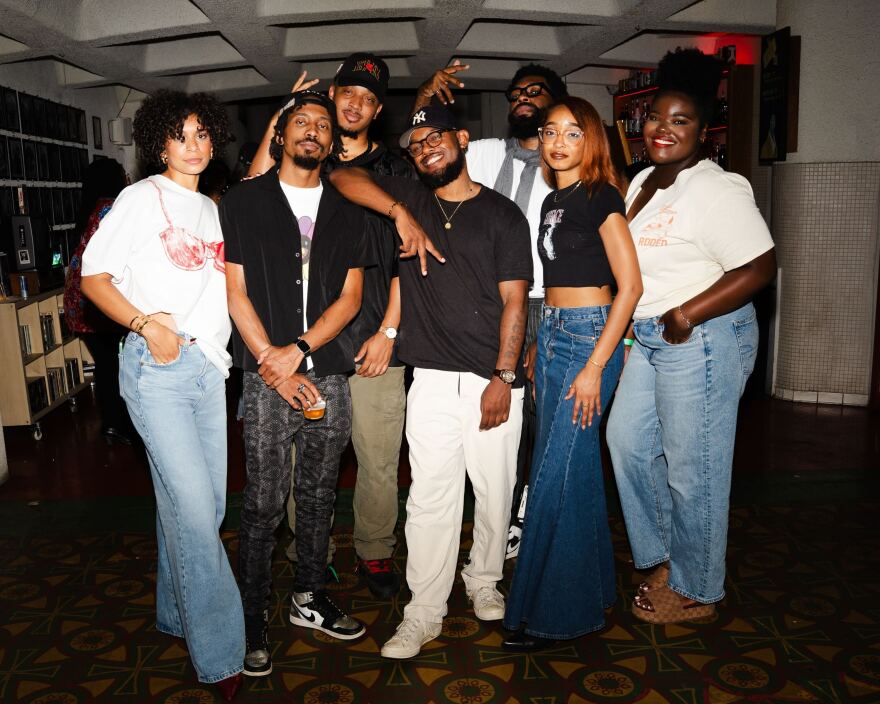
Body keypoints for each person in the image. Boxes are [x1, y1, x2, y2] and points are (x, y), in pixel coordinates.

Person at [330, 104, 532, 659]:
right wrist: (399, 213)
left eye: (434, 137)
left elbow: (516, 302)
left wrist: (503, 376)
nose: (425, 149)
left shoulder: (503, 215)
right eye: (415, 144)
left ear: (462, 138)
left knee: (495, 492)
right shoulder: (411, 198)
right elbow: (342, 176)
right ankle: (424, 611)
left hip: (493, 379)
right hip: (433, 381)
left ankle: (484, 579)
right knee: (429, 500)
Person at [80, 90, 244, 700]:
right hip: (159, 368)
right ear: (159, 144)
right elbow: (93, 276)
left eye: (202, 134)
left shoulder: (211, 209)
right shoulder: (140, 198)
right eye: (181, 135)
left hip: (207, 368)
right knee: (198, 513)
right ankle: (222, 653)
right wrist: (147, 324)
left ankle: (176, 613)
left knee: (198, 505)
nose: (194, 146)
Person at [606, 48, 776, 625]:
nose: (663, 128)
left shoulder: (716, 188)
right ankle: (665, 557)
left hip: (700, 336)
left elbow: (760, 267)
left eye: (680, 121)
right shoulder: (642, 181)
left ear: (703, 131)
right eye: (656, 117)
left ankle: (699, 589)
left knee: (693, 466)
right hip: (650, 335)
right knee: (626, 442)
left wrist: (687, 313)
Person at [248, 54, 415, 599]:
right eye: (349, 93)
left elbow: (406, 261)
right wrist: (283, 117)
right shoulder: (305, 161)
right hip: (307, 344)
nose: (356, 105)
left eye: (369, 99)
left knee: (377, 456)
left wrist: (389, 332)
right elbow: (252, 193)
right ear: (334, 93)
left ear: (378, 110)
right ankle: (308, 552)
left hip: (371, 338)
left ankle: (374, 550)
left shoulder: (396, 170)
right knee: (304, 460)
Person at [222, 90, 373, 679]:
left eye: (322, 125)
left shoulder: (346, 208)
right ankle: (251, 614)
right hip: (265, 378)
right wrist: (271, 361)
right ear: (281, 135)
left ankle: (309, 596)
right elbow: (235, 291)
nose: (312, 130)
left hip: (326, 372)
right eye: (301, 121)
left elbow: (352, 297)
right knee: (262, 503)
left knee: (318, 496)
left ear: (332, 143)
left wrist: (300, 351)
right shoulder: (244, 200)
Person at [500, 97, 642, 651]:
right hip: (556, 333)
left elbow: (630, 287)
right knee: (569, 470)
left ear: (592, 141)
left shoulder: (602, 194)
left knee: (555, 476)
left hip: (590, 339)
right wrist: (540, 341)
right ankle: (594, 591)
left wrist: (596, 366)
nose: (558, 142)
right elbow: (558, 277)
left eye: (573, 132)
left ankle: (554, 614)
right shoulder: (553, 199)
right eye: (550, 131)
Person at [415, 61, 568, 557]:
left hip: (550, 302)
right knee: (505, 420)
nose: (522, 97)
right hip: (494, 301)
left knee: (541, 417)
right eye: (515, 92)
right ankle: (505, 518)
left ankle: (525, 512)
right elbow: (428, 142)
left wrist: (553, 324)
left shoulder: (564, 161)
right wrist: (426, 95)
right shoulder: (482, 152)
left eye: (534, 91)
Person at [63, 157, 134, 446]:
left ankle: (112, 424)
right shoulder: (110, 207)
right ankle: (119, 424)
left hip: (79, 301)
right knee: (119, 364)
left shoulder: (89, 207)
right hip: (98, 300)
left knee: (107, 364)